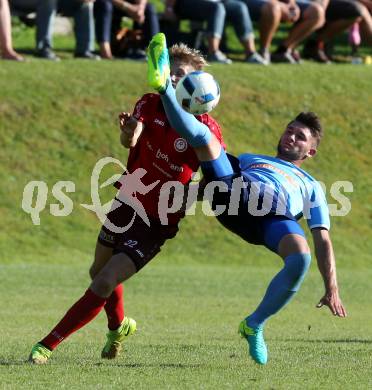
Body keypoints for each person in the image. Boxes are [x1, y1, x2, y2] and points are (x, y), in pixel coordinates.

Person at [146, 33, 347, 365]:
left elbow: (322, 239)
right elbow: (213, 170)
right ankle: (164, 85)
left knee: (300, 259)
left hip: (270, 219)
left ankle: (254, 325)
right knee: (206, 140)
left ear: (310, 151)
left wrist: (332, 287)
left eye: (300, 136)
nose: (291, 136)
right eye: (289, 130)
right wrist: (183, 195)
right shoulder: (253, 158)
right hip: (233, 191)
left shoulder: (311, 186)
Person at [28, 42, 225, 364]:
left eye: (183, 74)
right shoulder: (150, 103)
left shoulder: (205, 129)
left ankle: (46, 345)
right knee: (97, 272)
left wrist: (195, 194)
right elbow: (129, 142)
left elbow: (214, 177)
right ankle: (118, 327)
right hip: (128, 199)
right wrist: (129, 132)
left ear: (197, 84)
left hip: (158, 218)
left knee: (106, 279)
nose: (175, 78)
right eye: (171, 72)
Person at [164, 0, 267, 64]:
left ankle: (250, 53)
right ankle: (213, 52)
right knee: (217, 8)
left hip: (216, 2)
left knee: (239, 7)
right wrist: (169, 8)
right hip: (185, 3)